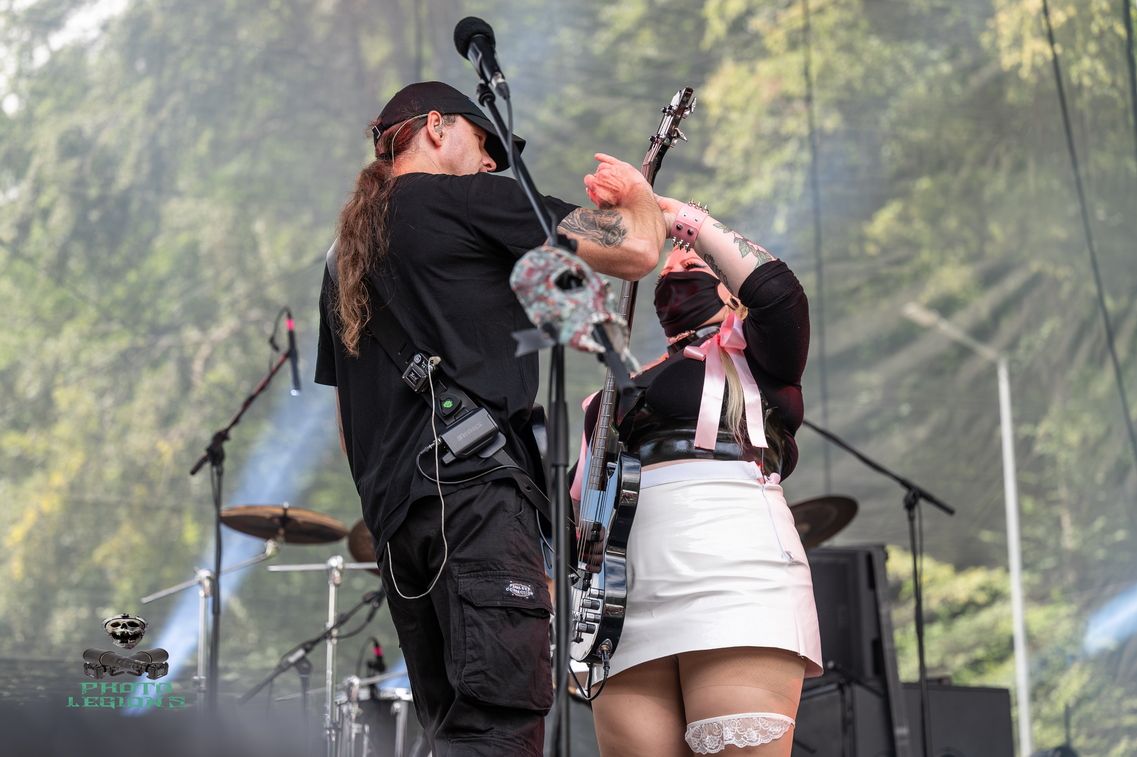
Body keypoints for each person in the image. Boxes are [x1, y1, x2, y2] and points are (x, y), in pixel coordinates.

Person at [314, 80, 665, 757]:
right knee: (501, 727)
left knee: (453, 731)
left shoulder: (342, 256)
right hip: (475, 506)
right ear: (436, 126)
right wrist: (638, 194)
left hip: (398, 526)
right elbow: (638, 249)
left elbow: (345, 418)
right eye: (482, 144)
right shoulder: (473, 201)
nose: (487, 164)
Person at [573, 195, 822, 756]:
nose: (677, 260)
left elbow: (779, 294)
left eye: (694, 257)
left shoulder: (760, 356)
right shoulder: (620, 388)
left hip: (734, 575)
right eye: (670, 257)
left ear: (732, 291)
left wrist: (677, 220)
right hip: (625, 594)